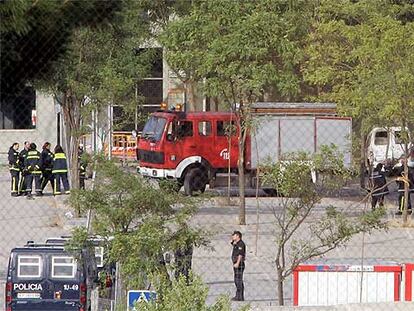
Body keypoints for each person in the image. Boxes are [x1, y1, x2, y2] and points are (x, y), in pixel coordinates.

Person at [230, 231, 246, 301]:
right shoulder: (236, 243)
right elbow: (232, 243)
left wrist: (237, 263)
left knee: (238, 280)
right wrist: (233, 241)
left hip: (239, 264)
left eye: (234, 236)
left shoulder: (241, 244)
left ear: (237, 236)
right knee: (236, 280)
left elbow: (240, 255)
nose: (232, 237)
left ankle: (240, 296)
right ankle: (238, 295)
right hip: (236, 263)